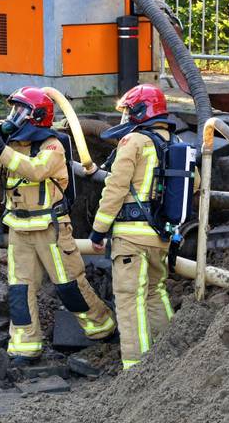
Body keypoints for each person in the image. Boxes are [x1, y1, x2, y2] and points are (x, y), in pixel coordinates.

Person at [0, 86, 115, 366]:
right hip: (19, 228)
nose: (13, 116)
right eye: (14, 110)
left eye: (20, 110)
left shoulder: (52, 145)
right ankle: (25, 347)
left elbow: (35, 170)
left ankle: (102, 328)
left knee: (69, 285)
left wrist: (2, 148)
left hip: (51, 228)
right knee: (20, 290)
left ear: (37, 115)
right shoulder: (10, 145)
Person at [89, 84, 196, 370]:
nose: (125, 117)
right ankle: (168, 359)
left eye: (128, 111)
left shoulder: (133, 141)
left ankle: (136, 368)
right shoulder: (176, 142)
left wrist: (98, 230)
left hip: (130, 238)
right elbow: (194, 183)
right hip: (162, 236)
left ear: (140, 111)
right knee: (155, 291)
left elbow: (115, 187)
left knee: (129, 299)